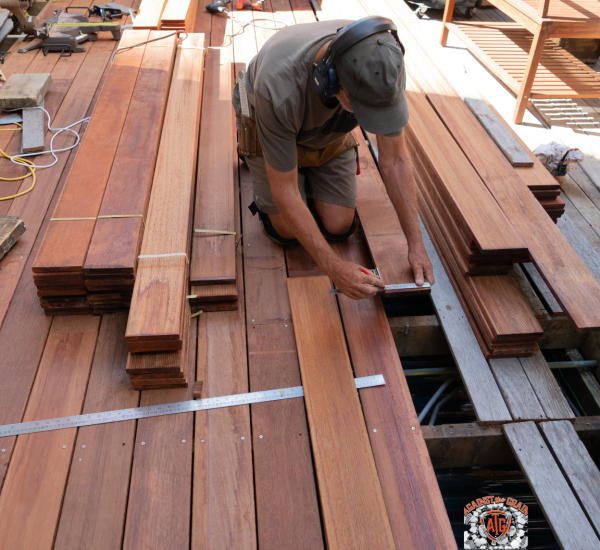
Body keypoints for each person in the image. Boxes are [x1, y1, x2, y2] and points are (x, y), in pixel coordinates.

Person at [232, 16, 435, 300]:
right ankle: (264, 163)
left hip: (323, 131)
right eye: (364, 112)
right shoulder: (278, 88)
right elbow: (285, 190)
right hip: (269, 119)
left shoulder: (382, 65)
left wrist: (416, 244)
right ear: (328, 81)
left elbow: (396, 161)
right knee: (287, 231)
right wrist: (335, 268)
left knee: (339, 226)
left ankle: (306, 169)